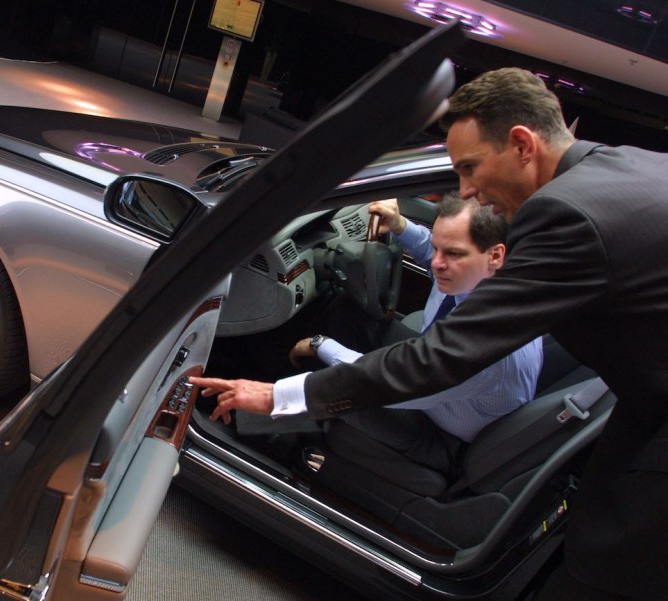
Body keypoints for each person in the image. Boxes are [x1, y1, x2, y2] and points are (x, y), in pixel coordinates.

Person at [191, 67, 668, 600]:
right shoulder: (630, 166)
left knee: (599, 578)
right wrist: (402, 231)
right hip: (644, 400)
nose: (466, 190)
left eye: (469, 168)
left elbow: (436, 359)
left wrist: (280, 393)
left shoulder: (564, 213)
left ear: (521, 144)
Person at [285, 195, 541, 477]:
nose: (437, 263)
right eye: (437, 248)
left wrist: (320, 345)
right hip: (439, 384)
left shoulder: (482, 344)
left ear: (495, 255)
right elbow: (435, 256)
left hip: (442, 435)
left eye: (453, 254)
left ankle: (273, 439)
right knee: (347, 311)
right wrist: (399, 226)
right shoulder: (487, 278)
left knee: (332, 388)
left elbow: (389, 384)